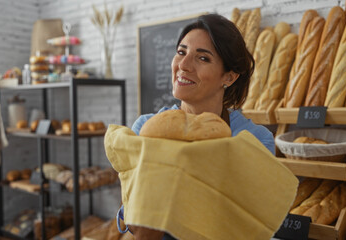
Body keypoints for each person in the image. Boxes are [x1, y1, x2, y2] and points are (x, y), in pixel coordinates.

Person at [117, 13, 275, 239]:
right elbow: (137, 226)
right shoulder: (146, 129)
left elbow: (246, 228)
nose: (183, 65)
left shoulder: (254, 139)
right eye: (181, 52)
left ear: (229, 77)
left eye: (203, 58)